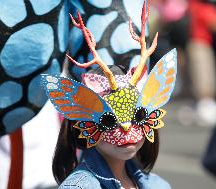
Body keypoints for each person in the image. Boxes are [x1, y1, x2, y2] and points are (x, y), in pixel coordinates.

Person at [42, 2, 176, 188]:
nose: (127, 128)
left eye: (138, 115)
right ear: (84, 122)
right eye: (109, 120)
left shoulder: (158, 185)